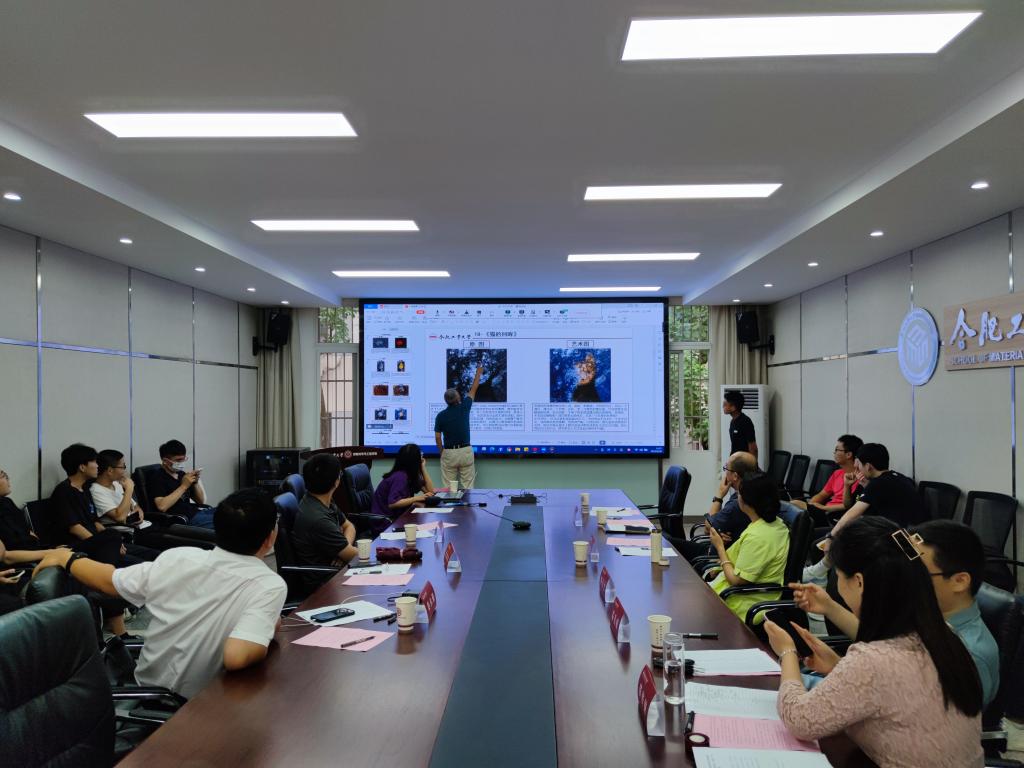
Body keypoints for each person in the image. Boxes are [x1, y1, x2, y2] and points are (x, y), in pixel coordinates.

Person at [764, 517, 983, 768]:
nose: (838, 586)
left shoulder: (872, 660)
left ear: (859, 582)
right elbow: (897, 693)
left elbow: (799, 720)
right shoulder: (944, 634)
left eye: (838, 576)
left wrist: (787, 652)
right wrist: (838, 666)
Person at [32, 489, 287, 699]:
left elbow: (108, 581)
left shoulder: (180, 557)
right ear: (269, 538)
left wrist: (68, 558)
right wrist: (263, 632)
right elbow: (236, 657)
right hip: (192, 705)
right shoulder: (268, 584)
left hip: (148, 684)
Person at [791, 519, 999, 707]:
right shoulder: (927, 617)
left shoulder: (969, 654)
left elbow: (911, 712)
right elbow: (886, 642)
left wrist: (840, 671)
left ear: (959, 581)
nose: (904, 578)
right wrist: (829, 607)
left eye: (918, 572)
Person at [707, 472, 790, 622]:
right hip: (732, 592)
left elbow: (736, 581)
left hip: (740, 604)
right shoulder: (775, 524)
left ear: (747, 501)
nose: (737, 496)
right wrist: (722, 565)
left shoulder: (758, 536)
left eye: (739, 493)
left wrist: (719, 547)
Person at [674, 451, 758, 565]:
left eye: (726, 468)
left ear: (735, 476)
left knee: (665, 541)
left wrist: (719, 495)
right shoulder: (755, 494)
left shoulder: (738, 503)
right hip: (721, 551)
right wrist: (718, 531)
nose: (725, 472)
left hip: (713, 559)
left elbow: (708, 528)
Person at [827, 443, 926, 535]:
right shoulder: (899, 478)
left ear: (868, 466)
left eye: (859, 464)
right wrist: (863, 486)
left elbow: (851, 514)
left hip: (893, 537)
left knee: (823, 538)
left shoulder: (877, 484)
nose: (856, 467)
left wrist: (830, 537)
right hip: (910, 533)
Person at [292, 453, 358, 587]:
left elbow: (349, 526)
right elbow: (355, 556)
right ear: (336, 482)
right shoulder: (319, 519)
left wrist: (343, 550)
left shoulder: (319, 499)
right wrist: (345, 551)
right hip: (325, 583)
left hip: (335, 572)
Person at [790, 434, 863, 521]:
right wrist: (811, 505)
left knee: (793, 505)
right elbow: (822, 494)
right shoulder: (837, 473)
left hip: (836, 514)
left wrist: (824, 508)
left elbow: (851, 506)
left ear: (848, 454)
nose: (834, 453)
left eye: (837, 450)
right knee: (792, 506)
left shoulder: (861, 478)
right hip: (825, 510)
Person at [434, 364, 482, 490]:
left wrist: (442, 451)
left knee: (449, 489)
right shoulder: (464, 407)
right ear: (458, 397)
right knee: (468, 488)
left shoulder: (440, 416)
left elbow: (438, 437)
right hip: (465, 451)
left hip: (449, 452)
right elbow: (474, 389)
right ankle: (468, 502)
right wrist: (478, 372)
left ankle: (450, 503)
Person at [148, 439, 215, 529]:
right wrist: (184, 486)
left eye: (183, 459)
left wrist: (195, 483)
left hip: (196, 512)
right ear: (165, 461)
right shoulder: (157, 477)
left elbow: (201, 502)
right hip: (184, 519)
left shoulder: (181, 474)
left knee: (229, 511)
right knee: (227, 522)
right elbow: (162, 506)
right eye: (178, 460)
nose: (181, 463)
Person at [371, 443, 436, 520]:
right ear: (414, 460)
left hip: (399, 516)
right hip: (386, 521)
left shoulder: (410, 475)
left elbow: (430, 491)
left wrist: (423, 468)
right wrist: (417, 498)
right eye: (420, 456)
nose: (422, 458)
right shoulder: (400, 477)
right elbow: (393, 503)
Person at [91, 449, 144, 526]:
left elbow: (135, 505)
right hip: (121, 531)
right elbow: (120, 517)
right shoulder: (96, 491)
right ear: (110, 470)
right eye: (123, 467)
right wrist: (129, 489)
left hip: (136, 526)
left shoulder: (116, 483)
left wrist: (139, 513)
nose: (124, 470)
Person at [723, 390, 757, 459]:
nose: (723, 406)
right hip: (735, 460)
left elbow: (753, 447)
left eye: (725, 404)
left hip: (744, 462)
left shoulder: (746, 421)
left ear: (733, 407)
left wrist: (753, 464)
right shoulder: (732, 421)